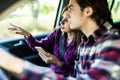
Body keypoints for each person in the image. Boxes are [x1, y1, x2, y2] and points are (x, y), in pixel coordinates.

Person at [0, 0, 120, 80]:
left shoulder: (112, 43)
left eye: (71, 8)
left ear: (88, 11)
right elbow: (76, 75)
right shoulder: (86, 42)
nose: (66, 16)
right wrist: (57, 63)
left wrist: (15, 65)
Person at [8, 6, 82, 77]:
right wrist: (27, 35)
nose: (61, 22)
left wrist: (58, 64)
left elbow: (79, 73)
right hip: (52, 73)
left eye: (67, 19)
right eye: (62, 17)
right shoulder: (57, 33)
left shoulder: (83, 43)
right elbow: (40, 46)